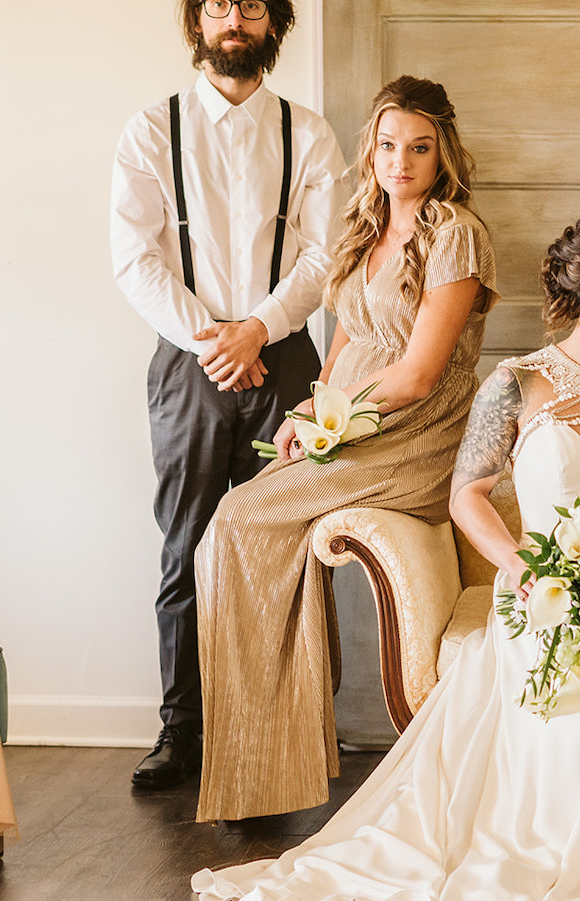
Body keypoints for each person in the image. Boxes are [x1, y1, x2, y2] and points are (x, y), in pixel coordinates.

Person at [193, 208, 580, 901]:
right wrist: (524, 565)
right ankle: (555, 841)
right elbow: (467, 496)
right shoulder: (516, 383)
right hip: (540, 582)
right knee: (563, 657)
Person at [193, 76, 499, 822]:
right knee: (230, 538)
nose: (402, 161)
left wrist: (332, 422)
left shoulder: (455, 232)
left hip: (416, 434)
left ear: (442, 154)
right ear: (372, 151)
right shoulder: (362, 227)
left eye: (420, 148)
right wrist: (306, 409)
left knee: (237, 520)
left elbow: (421, 373)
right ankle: (266, 758)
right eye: (390, 146)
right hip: (346, 420)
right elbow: (349, 342)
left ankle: (267, 764)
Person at [111, 0, 345, 791]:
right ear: (197, 20)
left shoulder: (309, 134)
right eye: (218, 5)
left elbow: (325, 254)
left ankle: (281, 727)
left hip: (285, 364)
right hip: (189, 363)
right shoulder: (151, 130)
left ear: (274, 21)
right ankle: (182, 729)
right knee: (186, 546)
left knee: (284, 549)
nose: (232, 20)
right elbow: (134, 259)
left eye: (249, 5)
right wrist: (219, 337)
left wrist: (262, 328)